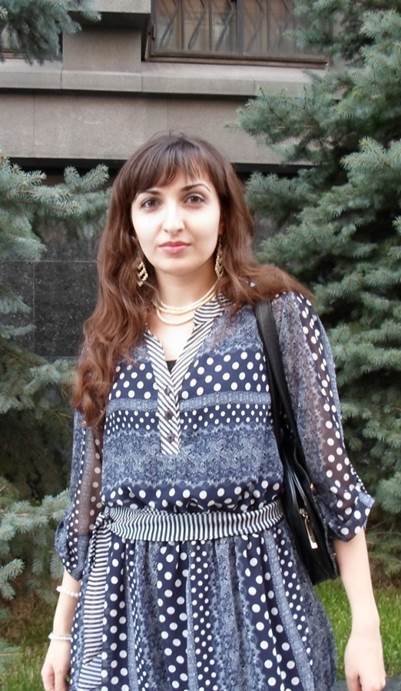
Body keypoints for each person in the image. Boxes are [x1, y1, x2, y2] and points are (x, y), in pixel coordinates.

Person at [41, 132, 385, 691]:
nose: (172, 222)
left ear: (223, 215)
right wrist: (62, 631)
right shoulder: (108, 337)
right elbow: (88, 498)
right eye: (151, 203)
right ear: (130, 224)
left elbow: (333, 480)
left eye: (193, 199)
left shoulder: (277, 317)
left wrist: (366, 626)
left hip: (255, 598)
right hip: (128, 611)